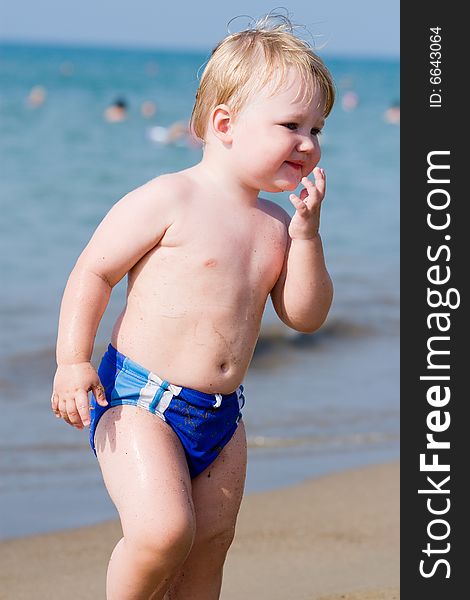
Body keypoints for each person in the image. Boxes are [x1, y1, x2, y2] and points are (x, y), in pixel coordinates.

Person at [52, 14, 335, 600]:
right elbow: (94, 272)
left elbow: (305, 316)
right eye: (291, 125)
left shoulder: (278, 228)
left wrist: (307, 237)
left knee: (209, 546)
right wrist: (72, 359)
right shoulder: (170, 198)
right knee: (163, 532)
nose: (307, 143)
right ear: (225, 124)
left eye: (317, 128)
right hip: (139, 400)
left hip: (220, 416)